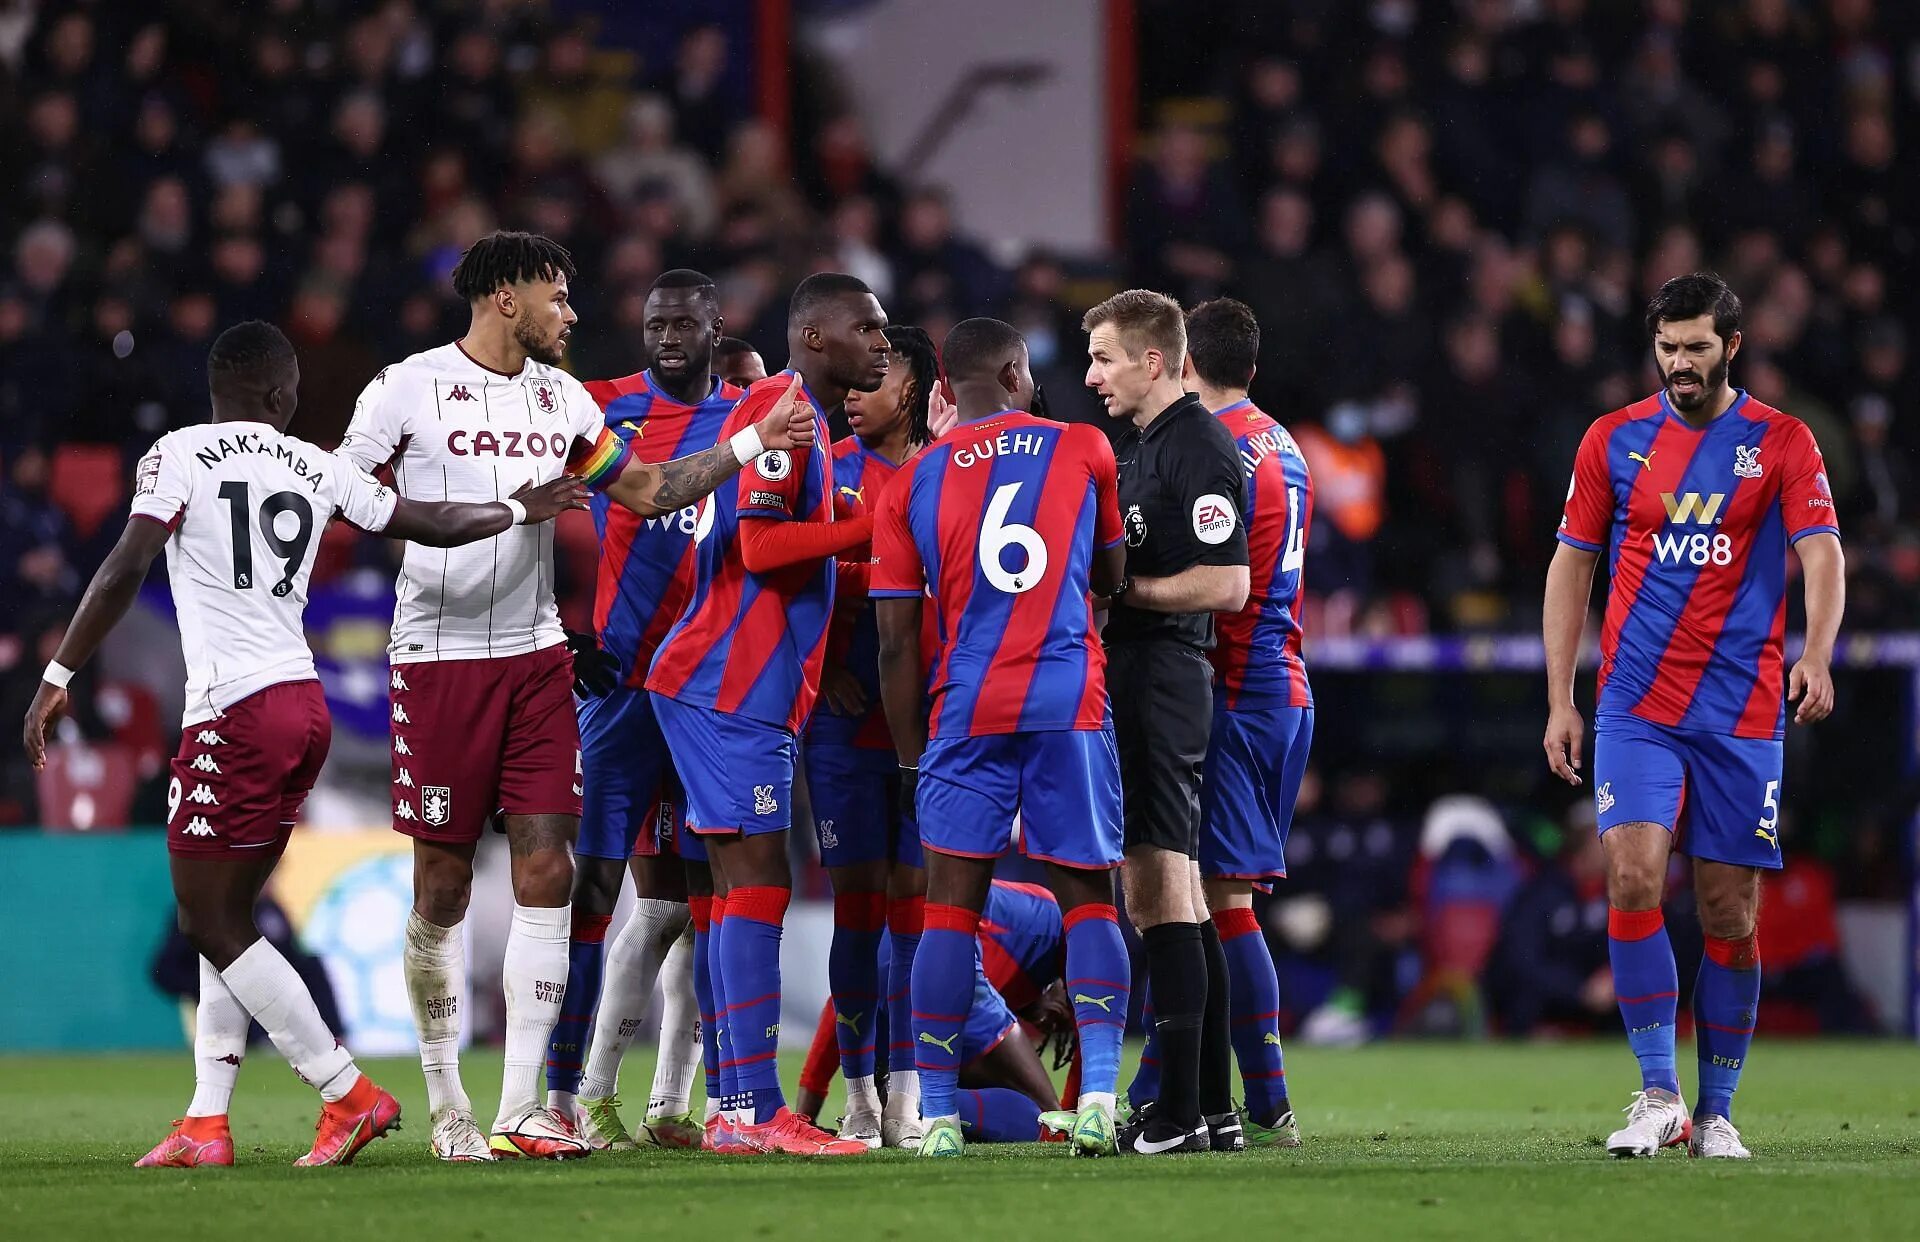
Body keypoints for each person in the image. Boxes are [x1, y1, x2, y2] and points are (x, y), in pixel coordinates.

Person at [20, 321, 588, 1168]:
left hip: (233, 710)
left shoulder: (177, 454)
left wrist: (61, 669)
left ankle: (344, 1090)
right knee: (230, 919)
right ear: (283, 396)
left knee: (205, 917)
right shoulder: (317, 464)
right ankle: (206, 1122)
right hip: (302, 708)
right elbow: (424, 521)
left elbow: (126, 563)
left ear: (216, 391)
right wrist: (516, 507)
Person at [334, 231, 816, 1163]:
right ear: (507, 299)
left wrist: (751, 439)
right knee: (440, 885)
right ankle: (447, 1108)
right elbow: (345, 487)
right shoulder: (407, 385)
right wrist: (489, 516)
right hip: (434, 659)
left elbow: (646, 487)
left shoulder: (560, 399)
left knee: (550, 872)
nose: (575, 314)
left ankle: (524, 1108)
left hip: (538, 657)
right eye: (559, 297)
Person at [1544, 272, 1844, 1160]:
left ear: (1732, 346)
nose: (1679, 363)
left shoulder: (1782, 442)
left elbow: (1821, 554)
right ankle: (1656, 1094)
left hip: (1740, 714)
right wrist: (1562, 697)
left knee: (1728, 914)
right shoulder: (1614, 440)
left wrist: (1818, 651)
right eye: (1667, 348)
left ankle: (1716, 1113)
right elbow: (1571, 569)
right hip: (1636, 706)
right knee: (1632, 877)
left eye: (1696, 348)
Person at [872, 316, 1132, 1159]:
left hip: (965, 709)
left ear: (943, 390)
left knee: (949, 914)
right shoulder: (1084, 446)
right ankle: (1095, 1097)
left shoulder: (909, 483)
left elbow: (895, 643)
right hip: (1065, 700)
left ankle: (939, 1116)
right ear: (1018, 374)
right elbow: (1111, 576)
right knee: (1089, 898)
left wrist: (912, 755)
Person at [646, 272, 893, 1157]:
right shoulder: (786, 414)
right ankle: (753, 1109)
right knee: (757, 885)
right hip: (729, 685)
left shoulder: (796, 419)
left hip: (731, 686)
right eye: (867, 329)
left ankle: (733, 1107)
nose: (881, 342)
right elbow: (760, 546)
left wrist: (865, 554)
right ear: (816, 338)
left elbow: (801, 554)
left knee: (726, 894)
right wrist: (870, 530)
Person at [544, 269, 744, 1150]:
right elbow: (529, 515)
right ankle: (561, 1096)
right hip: (619, 690)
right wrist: (562, 635)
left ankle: (688, 1101)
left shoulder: (748, 414)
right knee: (590, 888)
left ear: (714, 326)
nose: (667, 337)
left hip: (707, 694)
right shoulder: (600, 406)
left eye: (683, 324)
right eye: (654, 322)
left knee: (707, 904)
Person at [1083, 290, 1249, 1154]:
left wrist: (1127, 593)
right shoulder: (1143, 447)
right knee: (1178, 892)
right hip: (1150, 677)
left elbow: (1227, 584)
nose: (1092, 375)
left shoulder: (1197, 447)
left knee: (1157, 891)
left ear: (1156, 360)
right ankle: (1210, 1110)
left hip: (1165, 679)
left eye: (1105, 357)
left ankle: (1178, 1115)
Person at [1180, 297, 1312, 1147]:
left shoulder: (1218, 450)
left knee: (1217, 902)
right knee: (1200, 899)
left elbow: (1221, 586)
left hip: (1236, 688)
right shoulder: (1284, 441)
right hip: (1286, 684)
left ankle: (1267, 1102)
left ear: (1182, 363)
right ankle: (1185, 1087)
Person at [802, 323, 938, 1147]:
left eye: (873, 379)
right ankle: (859, 1095)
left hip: (924, 729)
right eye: (849, 382)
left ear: (914, 387)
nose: (853, 393)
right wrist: (822, 666)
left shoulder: (943, 473)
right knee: (858, 912)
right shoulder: (832, 472)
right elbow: (788, 575)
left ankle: (910, 1095)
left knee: (916, 917)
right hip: (845, 725)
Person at [794, 880, 1076, 1141]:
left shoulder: (1021, 972)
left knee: (1009, 1106)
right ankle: (909, 1104)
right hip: (941, 965)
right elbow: (1090, 998)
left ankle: (900, 1104)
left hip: (895, 987)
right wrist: (1080, 1106)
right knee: (1050, 1120)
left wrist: (805, 1118)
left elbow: (846, 1002)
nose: (1060, 1021)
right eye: (1069, 1007)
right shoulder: (1048, 919)